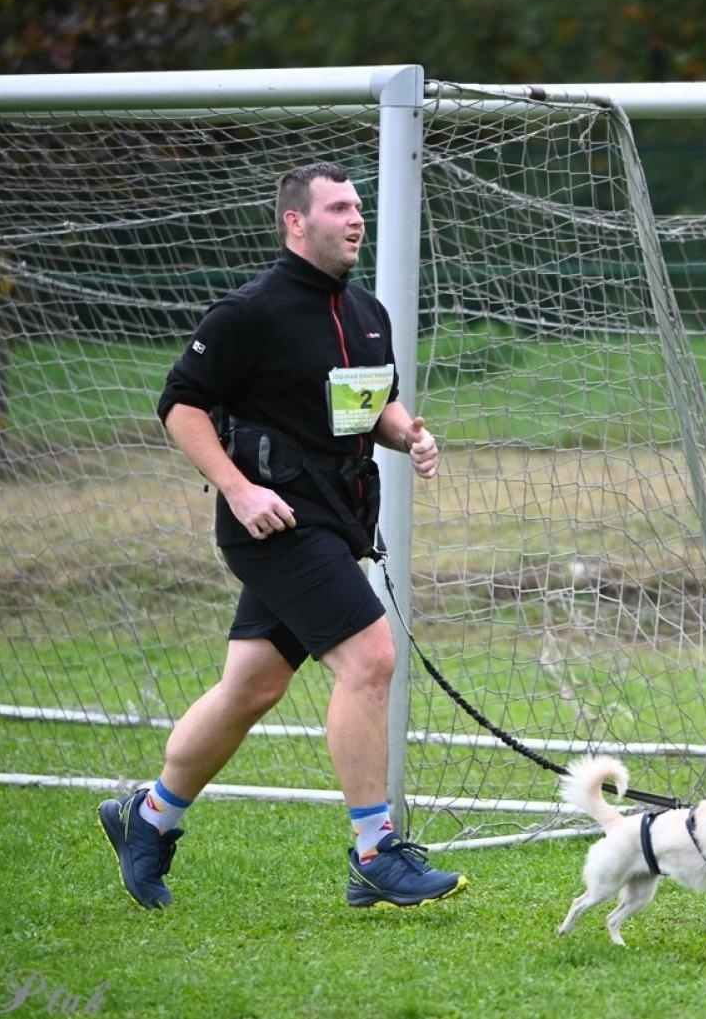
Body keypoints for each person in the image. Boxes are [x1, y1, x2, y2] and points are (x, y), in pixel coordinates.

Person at [98, 161, 467, 910]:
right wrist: (238, 488)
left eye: (358, 205)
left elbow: (377, 405)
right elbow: (180, 406)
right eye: (337, 208)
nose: (355, 218)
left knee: (252, 686)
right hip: (272, 527)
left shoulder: (367, 311)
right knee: (371, 656)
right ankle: (375, 850)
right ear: (295, 222)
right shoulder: (248, 312)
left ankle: (148, 815)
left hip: (337, 523)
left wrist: (410, 436)